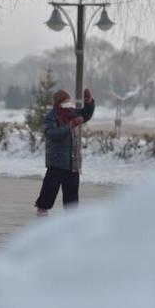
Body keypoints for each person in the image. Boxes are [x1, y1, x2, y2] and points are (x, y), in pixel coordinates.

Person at [35, 88, 95, 217]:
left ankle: (71, 211)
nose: (68, 103)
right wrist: (70, 126)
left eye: (69, 101)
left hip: (72, 160)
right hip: (57, 160)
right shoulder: (51, 116)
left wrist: (89, 103)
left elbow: (86, 115)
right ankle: (43, 207)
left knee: (72, 187)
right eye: (65, 101)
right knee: (50, 187)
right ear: (59, 102)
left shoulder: (72, 112)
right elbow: (52, 134)